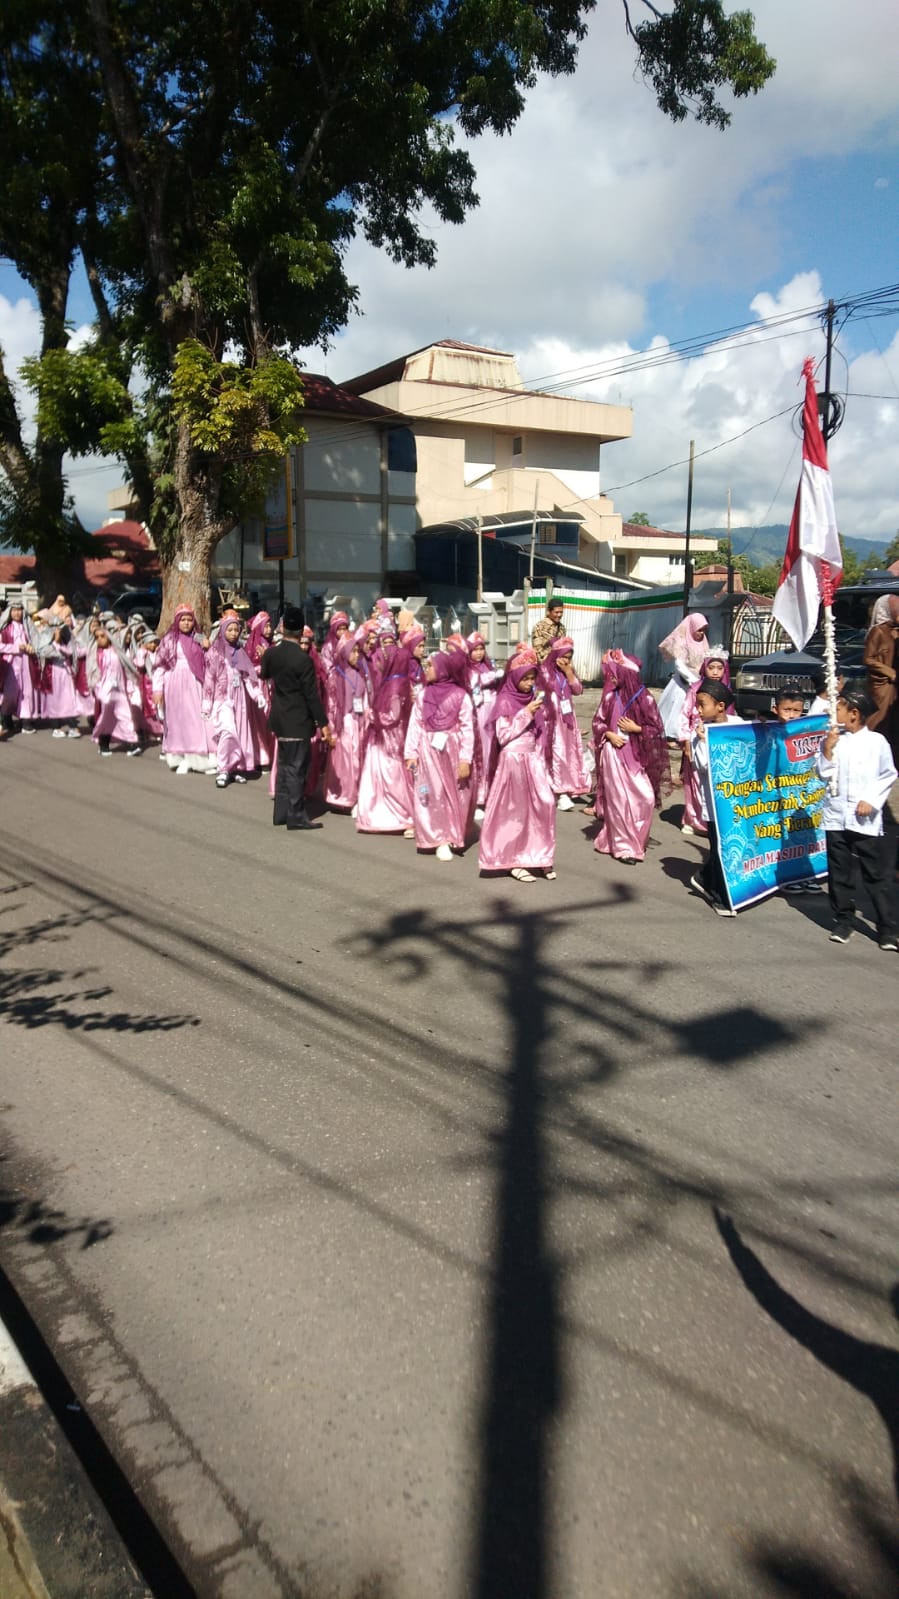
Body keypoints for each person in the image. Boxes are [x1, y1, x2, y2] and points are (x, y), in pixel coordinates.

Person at [816, 687, 898, 948]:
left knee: (875, 873)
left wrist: (871, 800)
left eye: (838, 707)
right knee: (839, 872)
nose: (833, 712)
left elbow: (888, 774)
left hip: (864, 820)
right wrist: (827, 750)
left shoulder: (876, 742)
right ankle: (844, 919)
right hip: (836, 816)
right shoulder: (833, 739)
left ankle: (887, 927)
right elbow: (822, 774)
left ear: (854, 713)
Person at [478, 649, 556, 883]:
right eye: (525, 678)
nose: (529, 683)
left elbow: (539, 732)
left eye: (532, 678)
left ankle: (539, 856)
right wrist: (525, 714)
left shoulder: (532, 698)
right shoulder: (504, 700)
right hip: (513, 760)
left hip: (532, 760)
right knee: (516, 813)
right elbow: (503, 735)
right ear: (514, 677)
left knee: (544, 805)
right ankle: (514, 859)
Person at [592, 650, 671, 865]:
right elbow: (598, 722)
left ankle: (635, 837)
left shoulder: (646, 699)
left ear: (627, 674)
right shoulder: (610, 697)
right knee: (618, 801)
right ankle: (624, 847)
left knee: (645, 798)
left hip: (637, 757)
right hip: (613, 755)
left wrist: (638, 729)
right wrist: (609, 734)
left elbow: (656, 730)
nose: (611, 678)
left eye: (614, 674)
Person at [258, 605, 331, 829]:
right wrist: (323, 722)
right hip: (298, 720)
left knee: (283, 766)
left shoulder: (271, 653)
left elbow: (264, 674)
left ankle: (281, 813)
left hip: (280, 718)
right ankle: (296, 814)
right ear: (300, 630)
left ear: (282, 628)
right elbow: (311, 695)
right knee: (297, 769)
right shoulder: (303, 660)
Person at [404, 650, 474, 861]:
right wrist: (411, 753)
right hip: (428, 752)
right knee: (429, 792)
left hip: (452, 750)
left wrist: (465, 759)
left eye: (431, 666)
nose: (427, 670)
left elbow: (467, 728)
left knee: (454, 793)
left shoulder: (461, 696)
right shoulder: (423, 695)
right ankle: (438, 837)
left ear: (443, 669)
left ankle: (453, 832)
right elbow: (415, 725)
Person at [689, 678, 743, 916]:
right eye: (697, 705)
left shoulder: (738, 724)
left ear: (721, 706)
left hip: (736, 800)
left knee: (731, 848)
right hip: (714, 804)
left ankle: (704, 876)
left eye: (702, 704)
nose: (698, 710)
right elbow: (702, 765)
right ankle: (721, 896)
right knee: (721, 849)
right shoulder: (700, 732)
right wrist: (703, 741)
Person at [355, 632, 416, 835]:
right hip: (388, 737)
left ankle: (399, 815)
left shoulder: (395, 685)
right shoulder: (396, 681)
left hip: (389, 739)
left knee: (391, 777)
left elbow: (393, 716)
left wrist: (373, 716)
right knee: (384, 777)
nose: (379, 663)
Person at [202, 611, 266, 788]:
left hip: (239, 698)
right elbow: (209, 679)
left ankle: (236, 767)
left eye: (236, 630)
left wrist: (257, 695)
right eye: (229, 630)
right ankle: (223, 769)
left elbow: (247, 677)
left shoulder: (240, 652)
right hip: (222, 698)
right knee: (228, 731)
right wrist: (206, 705)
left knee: (240, 732)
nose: (233, 633)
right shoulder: (215, 653)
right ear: (223, 631)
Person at [154, 605, 215, 774]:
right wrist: (157, 690)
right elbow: (160, 666)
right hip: (174, 684)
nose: (187, 623)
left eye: (189, 620)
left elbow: (209, 659)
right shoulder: (169, 639)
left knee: (195, 720)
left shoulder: (198, 637)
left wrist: (207, 646)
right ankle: (178, 758)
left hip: (195, 684)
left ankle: (198, 760)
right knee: (176, 721)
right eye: (183, 620)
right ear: (177, 621)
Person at [677, 647, 729, 835]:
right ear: (704, 668)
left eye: (719, 668)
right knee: (695, 782)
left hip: (718, 740)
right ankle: (693, 820)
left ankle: (713, 820)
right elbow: (684, 716)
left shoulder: (726, 691)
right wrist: (686, 742)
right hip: (695, 738)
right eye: (711, 668)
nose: (715, 672)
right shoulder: (695, 689)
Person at [540, 635, 589, 810]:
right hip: (550, 719)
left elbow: (578, 690)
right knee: (556, 753)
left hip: (567, 719)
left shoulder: (568, 671)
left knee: (568, 753)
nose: (566, 661)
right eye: (563, 657)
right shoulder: (544, 672)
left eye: (569, 657)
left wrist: (569, 673)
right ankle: (559, 791)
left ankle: (566, 785)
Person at [323, 634, 368, 813]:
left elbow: (365, 700)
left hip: (358, 723)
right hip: (343, 725)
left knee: (358, 760)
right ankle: (343, 796)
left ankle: (355, 796)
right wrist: (332, 731)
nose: (357, 655)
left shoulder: (360, 674)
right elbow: (331, 706)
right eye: (353, 651)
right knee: (345, 762)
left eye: (358, 651)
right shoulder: (335, 676)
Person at [89, 625, 141, 756]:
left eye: (102, 636)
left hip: (119, 690)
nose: (100, 639)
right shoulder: (97, 654)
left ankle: (132, 744)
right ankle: (104, 744)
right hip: (106, 691)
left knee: (125, 715)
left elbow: (126, 668)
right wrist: (98, 689)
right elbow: (94, 673)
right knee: (106, 719)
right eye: (97, 637)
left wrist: (130, 685)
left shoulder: (117, 651)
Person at [465, 632, 501, 818]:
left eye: (481, 649)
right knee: (480, 753)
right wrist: (490, 677)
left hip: (491, 713)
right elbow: (471, 685)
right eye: (475, 649)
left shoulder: (488, 666)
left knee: (492, 752)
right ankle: (478, 799)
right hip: (477, 714)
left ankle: (490, 795)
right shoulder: (466, 669)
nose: (479, 653)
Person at [658, 613, 710, 740]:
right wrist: (693, 681)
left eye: (704, 630)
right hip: (683, 683)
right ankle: (673, 736)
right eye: (699, 630)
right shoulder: (682, 641)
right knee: (678, 708)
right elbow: (679, 665)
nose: (702, 633)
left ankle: (689, 734)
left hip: (698, 682)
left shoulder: (703, 642)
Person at [863, 594, 899, 762]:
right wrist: (889, 672)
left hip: (894, 685)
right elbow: (868, 659)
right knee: (878, 720)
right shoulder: (877, 631)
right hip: (881, 685)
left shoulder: (895, 631)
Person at [0, 601, 40, 735]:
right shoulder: (5, 629)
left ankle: (26, 721)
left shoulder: (28, 628)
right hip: (10, 664)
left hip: (27, 663)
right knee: (10, 692)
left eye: (19, 610)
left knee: (27, 692)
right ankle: (6, 717)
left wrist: (32, 648)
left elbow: (37, 642)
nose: (17, 613)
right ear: (9, 612)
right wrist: (16, 648)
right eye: (14, 610)